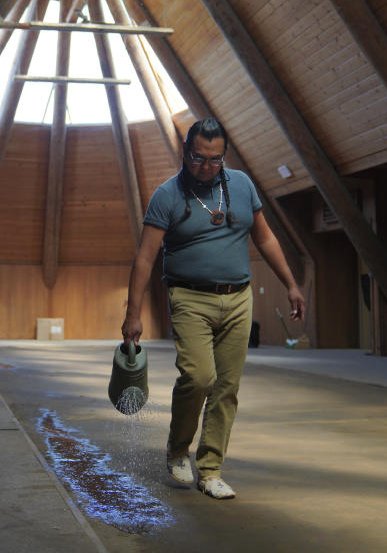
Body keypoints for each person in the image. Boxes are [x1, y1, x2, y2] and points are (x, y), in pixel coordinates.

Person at [121, 118, 305, 500]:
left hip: (238, 298)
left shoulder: (240, 185)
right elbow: (144, 258)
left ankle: (210, 469)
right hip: (189, 298)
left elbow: (265, 237)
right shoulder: (167, 195)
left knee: (227, 387)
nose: (205, 166)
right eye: (198, 158)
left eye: (214, 159)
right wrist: (133, 314)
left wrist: (290, 284)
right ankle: (177, 449)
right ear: (185, 152)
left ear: (225, 156)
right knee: (199, 377)